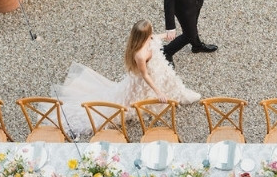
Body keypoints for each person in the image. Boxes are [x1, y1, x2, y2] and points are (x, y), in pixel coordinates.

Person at [55, 20, 200, 138]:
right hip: (145, 78)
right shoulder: (140, 55)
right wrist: (157, 92)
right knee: (130, 102)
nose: (151, 34)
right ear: (143, 36)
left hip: (159, 70)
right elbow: (145, 75)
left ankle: (181, 95)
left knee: (169, 83)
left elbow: (155, 37)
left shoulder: (148, 39)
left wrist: (168, 35)